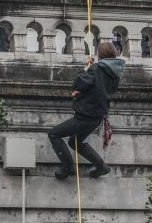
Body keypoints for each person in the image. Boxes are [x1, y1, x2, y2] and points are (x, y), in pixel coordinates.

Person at [48, 41, 125, 180]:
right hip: (96, 117)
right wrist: (82, 94)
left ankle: (68, 167)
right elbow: (99, 90)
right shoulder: (115, 73)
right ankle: (101, 166)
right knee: (75, 142)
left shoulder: (97, 69)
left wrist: (87, 66)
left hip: (85, 117)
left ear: (100, 55)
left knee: (54, 134)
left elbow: (79, 82)